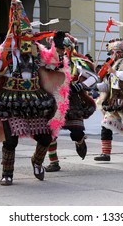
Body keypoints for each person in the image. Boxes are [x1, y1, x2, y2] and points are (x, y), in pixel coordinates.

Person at [0, 0, 70, 185]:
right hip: (11, 100)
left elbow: (53, 65)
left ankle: (37, 161)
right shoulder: (6, 53)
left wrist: (57, 49)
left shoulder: (38, 53)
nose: (28, 42)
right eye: (24, 38)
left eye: (30, 38)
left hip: (35, 100)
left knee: (45, 137)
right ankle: (7, 173)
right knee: (11, 141)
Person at [45, 33, 98, 172]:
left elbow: (93, 78)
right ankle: (54, 162)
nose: (60, 51)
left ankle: (80, 140)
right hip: (53, 100)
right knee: (50, 132)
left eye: (62, 49)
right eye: (57, 48)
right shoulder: (48, 61)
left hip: (72, 100)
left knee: (76, 132)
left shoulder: (77, 62)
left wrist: (80, 86)